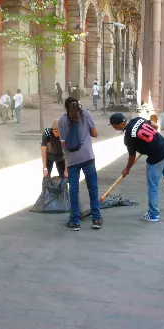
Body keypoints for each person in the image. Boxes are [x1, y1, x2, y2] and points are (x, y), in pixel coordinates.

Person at [109, 113, 164, 222]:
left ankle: (153, 214)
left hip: (156, 157)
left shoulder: (128, 137)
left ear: (121, 124)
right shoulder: (137, 119)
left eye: (115, 127)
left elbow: (132, 156)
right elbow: (155, 126)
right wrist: (150, 142)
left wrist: (127, 169)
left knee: (153, 186)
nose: (116, 129)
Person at [58, 97, 102, 231]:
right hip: (88, 156)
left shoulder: (62, 120)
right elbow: (95, 133)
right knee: (93, 188)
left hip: (72, 160)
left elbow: (63, 143)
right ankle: (96, 219)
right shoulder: (85, 114)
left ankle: (75, 221)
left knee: (74, 190)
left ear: (66, 107)